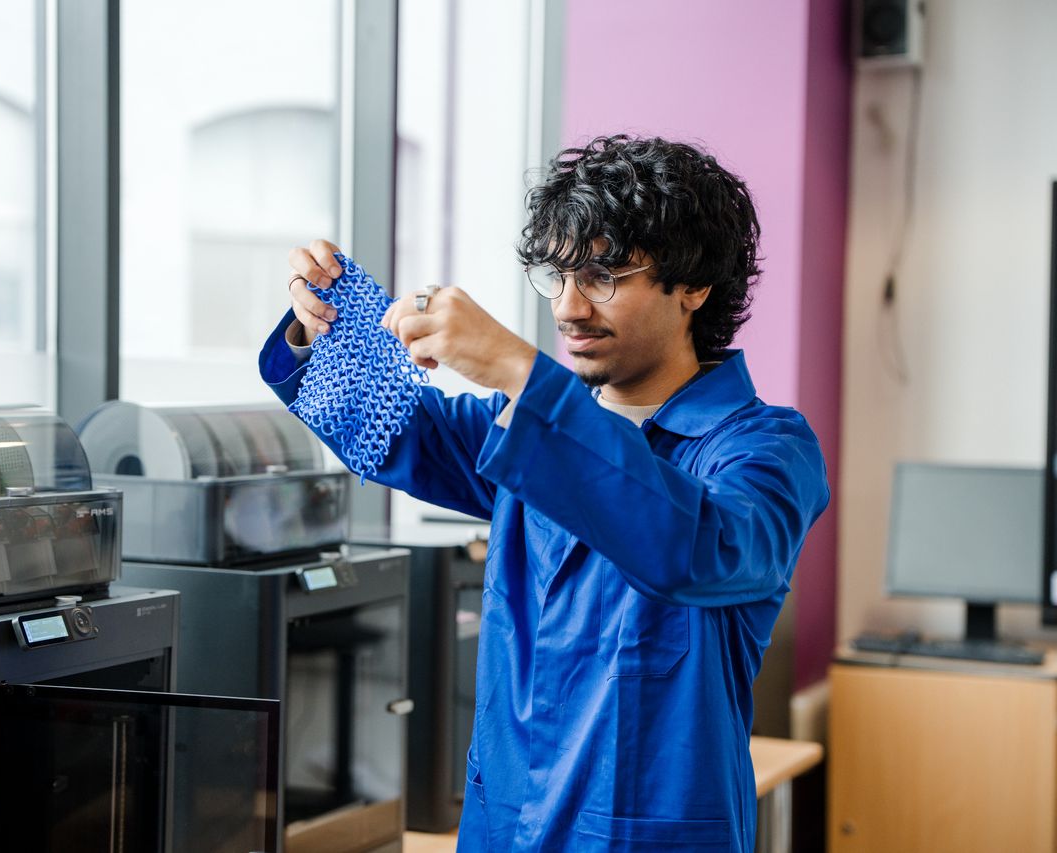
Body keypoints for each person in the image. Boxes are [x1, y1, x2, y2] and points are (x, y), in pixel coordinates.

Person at [259, 134, 829, 852]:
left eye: (602, 275)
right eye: (556, 276)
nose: (568, 308)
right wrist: (321, 331)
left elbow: (701, 548)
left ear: (694, 284)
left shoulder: (766, 448)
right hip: (507, 825)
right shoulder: (523, 429)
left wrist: (516, 368)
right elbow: (392, 428)